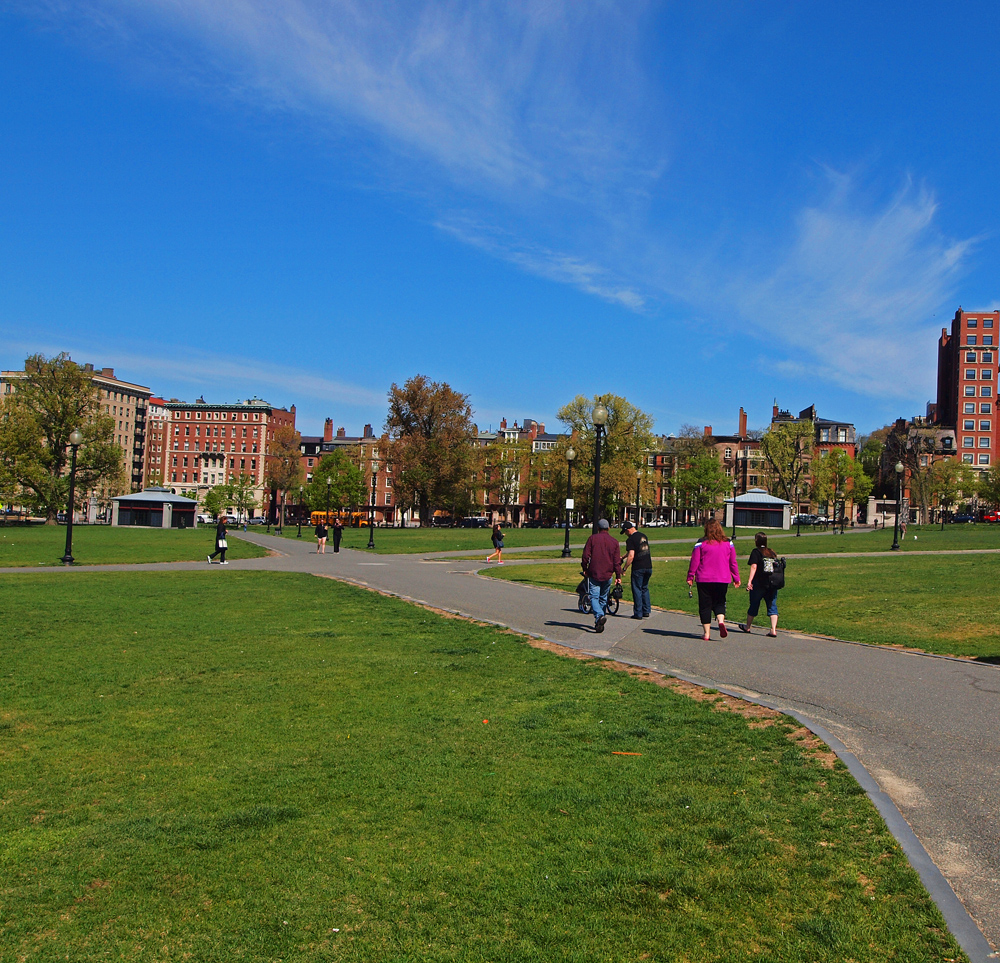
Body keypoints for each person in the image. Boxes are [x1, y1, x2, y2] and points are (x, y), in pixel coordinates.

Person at [686, 518, 739, 640]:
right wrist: (736, 577)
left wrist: (690, 576)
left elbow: (694, 561)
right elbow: (733, 562)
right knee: (720, 602)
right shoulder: (728, 543)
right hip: (723, 578)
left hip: (704, 578)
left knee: (705, 605)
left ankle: (707, 633)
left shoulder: (701, 543)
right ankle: (720, 621)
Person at [581, 518, 622, 633]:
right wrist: (618, 575)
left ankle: (599, 616)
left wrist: (585, 568)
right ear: (608, 528)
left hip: (594, 572)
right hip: (608, 573)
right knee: (603, 598)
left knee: (594, 597)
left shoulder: (592, 539)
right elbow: (616, 561)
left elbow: (585, 556)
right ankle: (599, 624)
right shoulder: (614, 542)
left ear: (598, 528)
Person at [739, 531, 779, 637]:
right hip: (772, 584)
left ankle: (748, 626)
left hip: (759, 583)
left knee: (754, 604)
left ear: (756, 541)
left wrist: (749, 581)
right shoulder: (771, 552)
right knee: (772, 605)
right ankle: (773, 629)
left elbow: (754, 567)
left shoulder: (756, 552)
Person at [620, 519, 652, 619]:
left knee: (637, 589)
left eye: (625, 532)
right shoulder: (643, 536)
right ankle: (646, 610)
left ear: (628, 530)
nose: (625, 534)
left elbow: (631, 555)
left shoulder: (630, 539)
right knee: (644, 588)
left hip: (638, 567)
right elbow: (636, 550)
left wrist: (624, 568)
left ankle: (638, 613)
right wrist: (623, 557)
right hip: (648, 566)